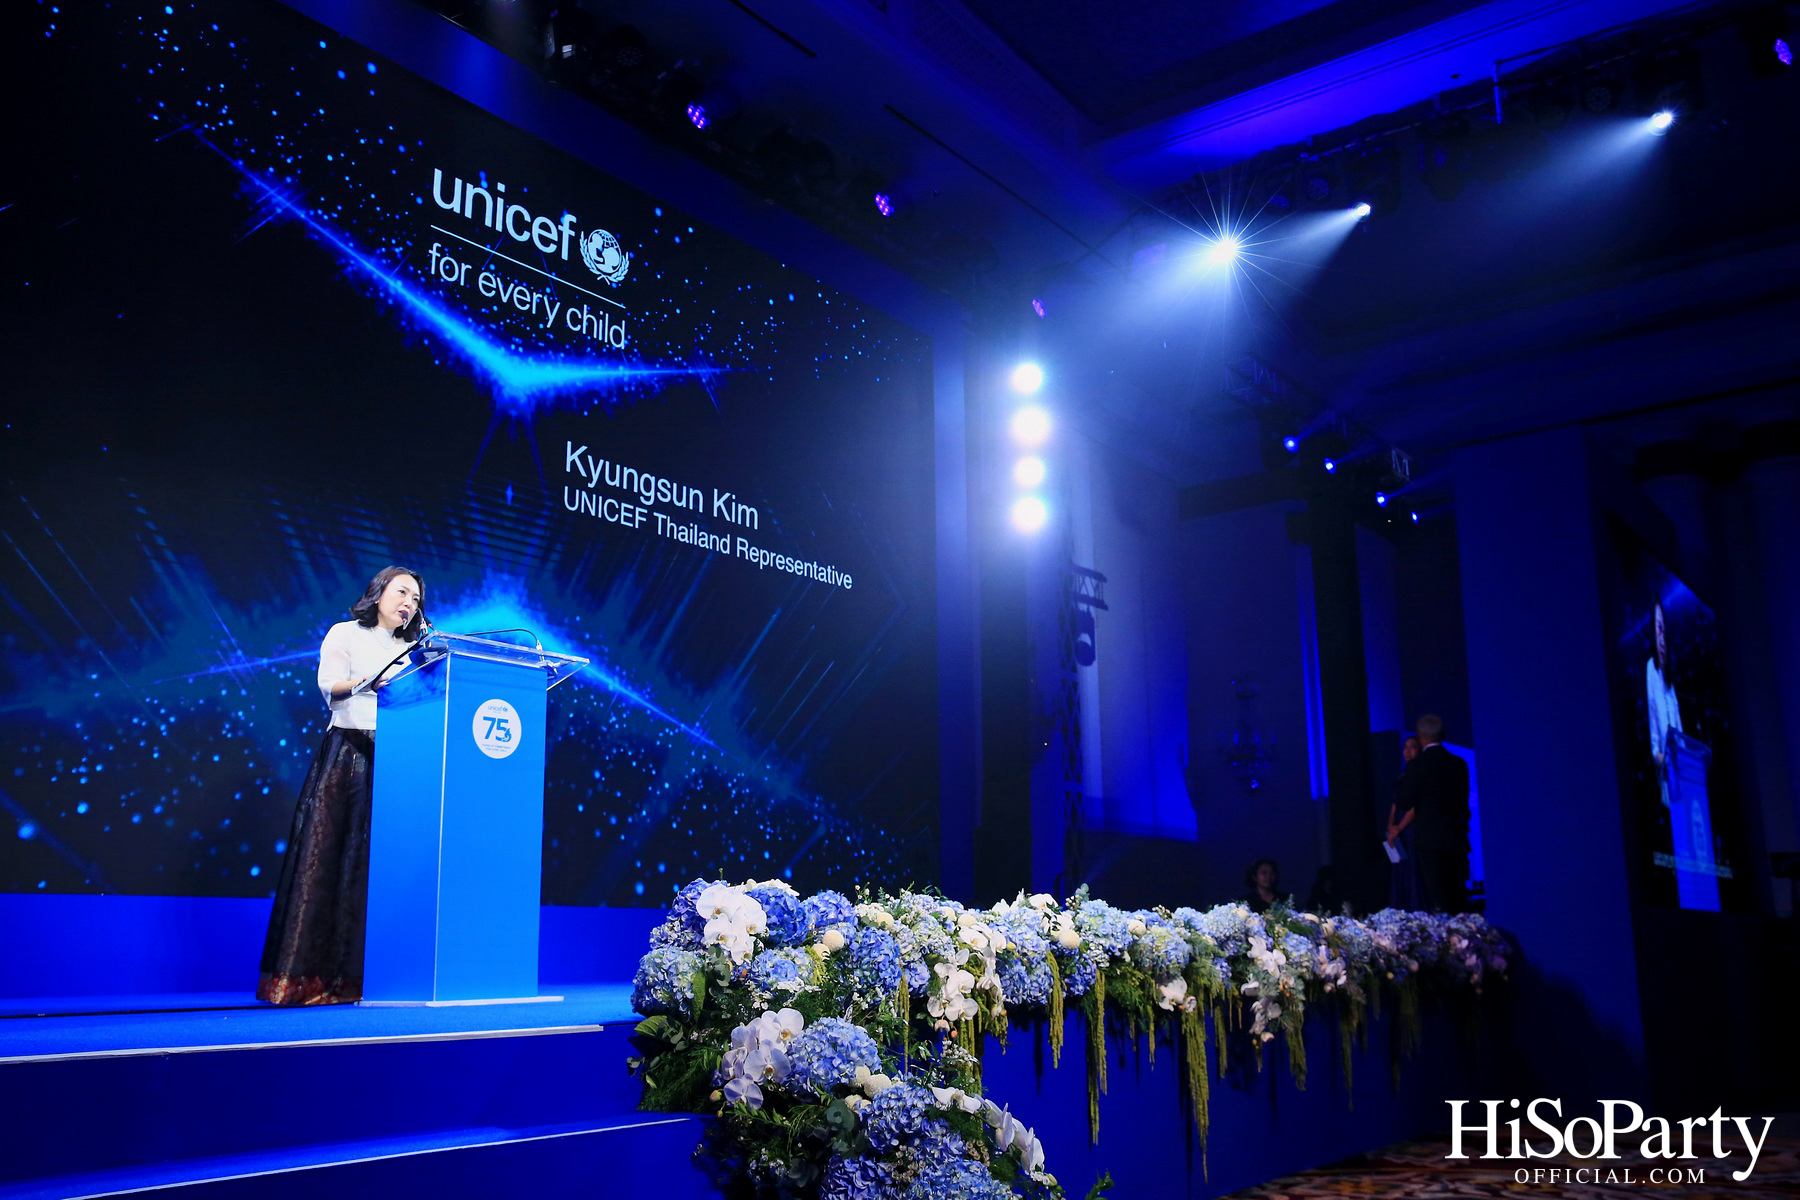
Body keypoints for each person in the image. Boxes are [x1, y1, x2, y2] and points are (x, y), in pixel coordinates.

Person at [257, 566, 425, 1005]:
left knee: (381, 867)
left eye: (416, 599)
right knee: (332, 860)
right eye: (402, 592)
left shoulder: (416, 650)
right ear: (378, 592)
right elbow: (330, 687)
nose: (409, 603)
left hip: (401, 763)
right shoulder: (345, 633)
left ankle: (381, 977)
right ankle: (317, 980)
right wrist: (369, 683)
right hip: (350, 756)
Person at [1387, 714, 1471, 913]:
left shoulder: (1418, 765)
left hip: (1430, 839)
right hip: (1457, 837)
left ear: (1420, 735)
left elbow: (1405, 801)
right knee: (1458, 896)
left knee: (1438, 898)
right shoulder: (1459, 763)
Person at [1645, 602, 1682, 810]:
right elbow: (1652, 719)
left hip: (1680, 770)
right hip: (1666, 774)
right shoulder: (1651, 669)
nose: (1662, 638)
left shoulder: (1670, 680)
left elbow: (1679, 728)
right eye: (1659, 629)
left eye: (1664, 631)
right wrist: (1659, 756)